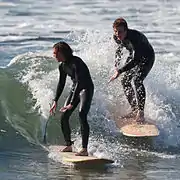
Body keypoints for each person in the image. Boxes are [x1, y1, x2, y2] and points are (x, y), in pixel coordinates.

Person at [50, 41, 94, 156]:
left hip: (85, 88)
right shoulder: (62, 66)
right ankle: (69, 145)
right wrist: (55, 100)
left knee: (82, 114)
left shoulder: (76, 62)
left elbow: (80, 82)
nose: (54, 56)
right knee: (64, 116)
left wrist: (72, 103)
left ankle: (84, 149)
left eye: (56, 53)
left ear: (63, 52)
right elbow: (61, 83)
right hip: (75, 89)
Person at [109, 18, 155, 123]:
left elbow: (136, 60)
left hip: (147, 57)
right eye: (115, 31)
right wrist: (117, 63)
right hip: (134, 56)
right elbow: (120, 48)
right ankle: (134, 110)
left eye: (120, 31)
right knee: (125, 81)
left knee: (137, 80)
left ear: (126, 30)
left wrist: (119, 71)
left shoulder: (135, 38)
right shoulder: (117, 37)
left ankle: (141, 112)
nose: (117, 34)